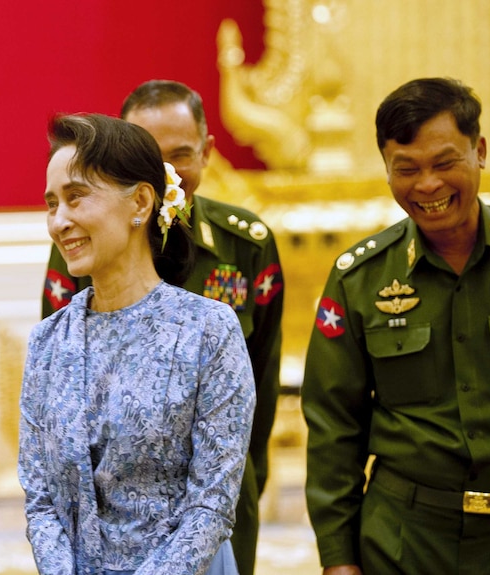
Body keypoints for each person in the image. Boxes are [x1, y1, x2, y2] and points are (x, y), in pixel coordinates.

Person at [302, 77, 490, 574]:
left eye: (445, 163)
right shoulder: (361, 278)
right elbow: (334, 427)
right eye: (407, 169)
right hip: (404, 542)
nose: (428, 186)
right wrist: (337, 559)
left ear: (479, 151)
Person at [41, 80, 283, 575]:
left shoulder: (227, 289)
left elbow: (260, 389)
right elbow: (45, 475)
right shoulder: (65, 288)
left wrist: (232, 475)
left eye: (180, 154)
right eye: (51, 203)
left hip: (211, 516)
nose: (168, 170)